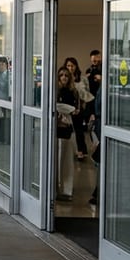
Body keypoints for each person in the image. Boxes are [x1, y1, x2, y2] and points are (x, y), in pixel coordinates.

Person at [55, 67, 81, 202]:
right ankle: (56, 188)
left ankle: (66, 190)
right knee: (56, 161)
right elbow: (55, 106)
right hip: (56, 129)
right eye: (61, 75)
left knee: (67, 162)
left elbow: (77, 110)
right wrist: (69, 109)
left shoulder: (73, 92)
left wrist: (70, 110)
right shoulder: (55, 91)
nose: (64, 77)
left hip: (68, 129)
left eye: (66, 75)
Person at [64, 57, 94, 159]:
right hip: (67, 107)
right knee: (68, 130)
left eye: (72, 65)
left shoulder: (83, 78)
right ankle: (70, 151)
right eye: (68, 65)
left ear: (76, 66)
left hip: (79, 106)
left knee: (79, 130)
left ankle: (81, 150)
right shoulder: (64, 77)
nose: (70, 68)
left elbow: (87, 92)